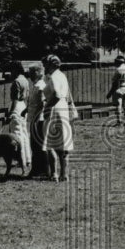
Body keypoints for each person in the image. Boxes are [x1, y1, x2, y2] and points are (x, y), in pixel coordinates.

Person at [42, 54, 76, 182]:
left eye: (46, 64)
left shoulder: (53, 77)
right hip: (63, 110)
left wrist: (47, 107)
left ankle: (54, 174)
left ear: (51, 65)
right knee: (63, 143)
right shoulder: (62, 76)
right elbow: (66, 95)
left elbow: (56, 94)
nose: (44, 66)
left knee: (50, 144)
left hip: (54, 110)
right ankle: (64, 174)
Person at [25, 63, 48, 177]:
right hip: (34, 119)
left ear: (39, 73)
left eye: (32, 72)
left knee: (38, 145)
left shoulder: (40, 86)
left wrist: (36, 118)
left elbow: (42, 104)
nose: (29, 74)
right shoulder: (35, 85)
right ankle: (38, 169)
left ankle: (42, 169)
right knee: (34, 145)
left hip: (39, 120)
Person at [7, 60, 30, 170]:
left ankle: (21, 160)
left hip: (16, 106)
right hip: (23, 105)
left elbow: (15, 99)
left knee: (16, 134)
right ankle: (27, 158)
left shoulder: (16, 81)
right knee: (24, 133)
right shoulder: (25, 80)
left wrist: (10, 112)